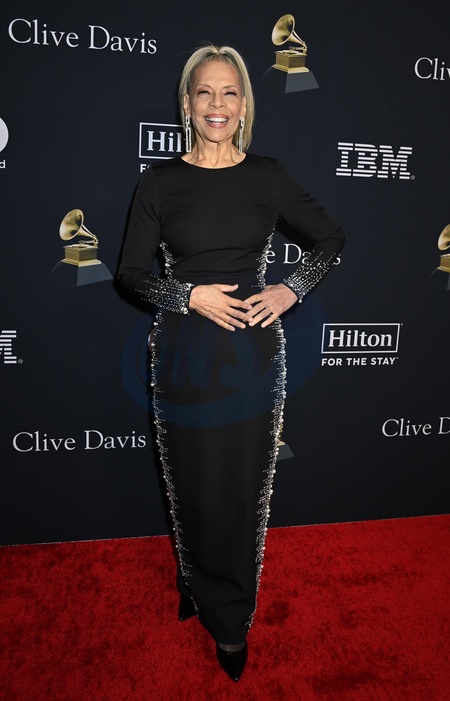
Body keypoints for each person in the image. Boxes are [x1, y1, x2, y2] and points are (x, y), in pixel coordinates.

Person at [118, 44, 345, 682]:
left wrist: (290, 289)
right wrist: (187, 295)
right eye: (204, 92)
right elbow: (130, 274)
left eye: (229, 92)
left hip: (250, 354)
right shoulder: (160, 181)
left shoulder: (266, 176)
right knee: (190, 485)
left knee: (240, 493)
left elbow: (330, 238)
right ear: (187, 104)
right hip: (182, 354)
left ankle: (231, 617)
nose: (217, 105)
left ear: (244, 105)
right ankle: (195, 581)